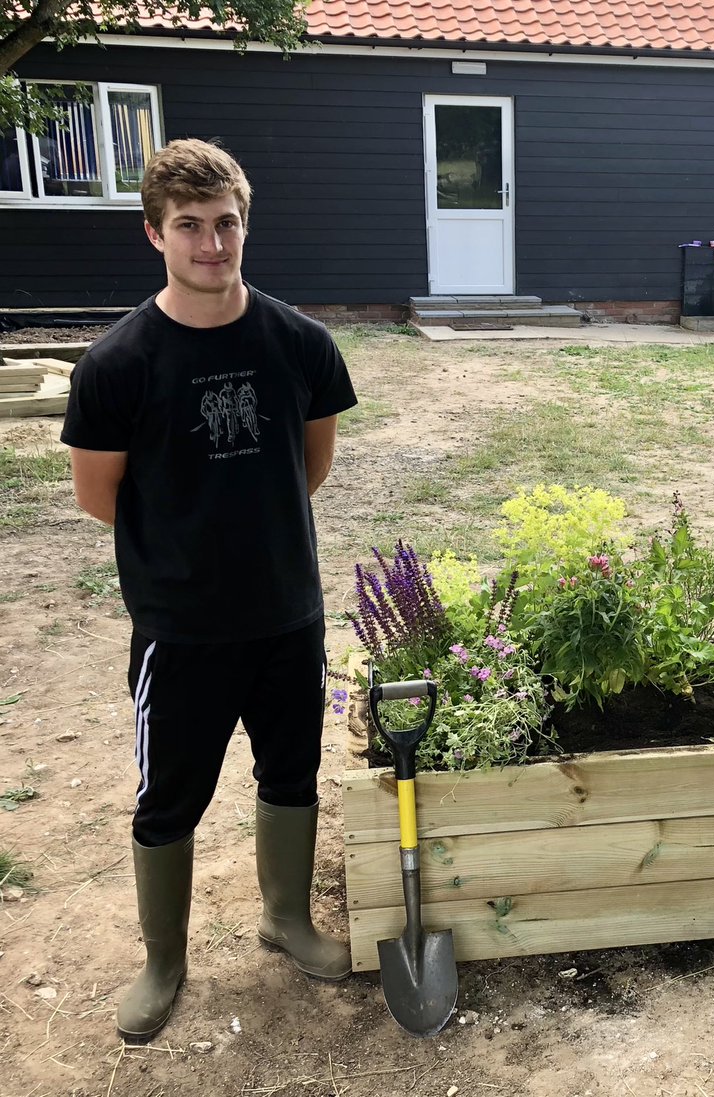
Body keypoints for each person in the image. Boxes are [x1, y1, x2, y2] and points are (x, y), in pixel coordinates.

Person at [61, 139, 358, 1041]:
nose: (212, 243)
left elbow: (308, 468)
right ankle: (165, 960)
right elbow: (97, 495)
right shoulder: (116, 365)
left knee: (292, 775)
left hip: (285, 616)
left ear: (243, 223)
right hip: (179, 630)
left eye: (226, 222)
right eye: (189, 226)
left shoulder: (300, 343)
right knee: (169, 800)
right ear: (154, 234)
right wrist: (189, 552)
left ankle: (287, 918)